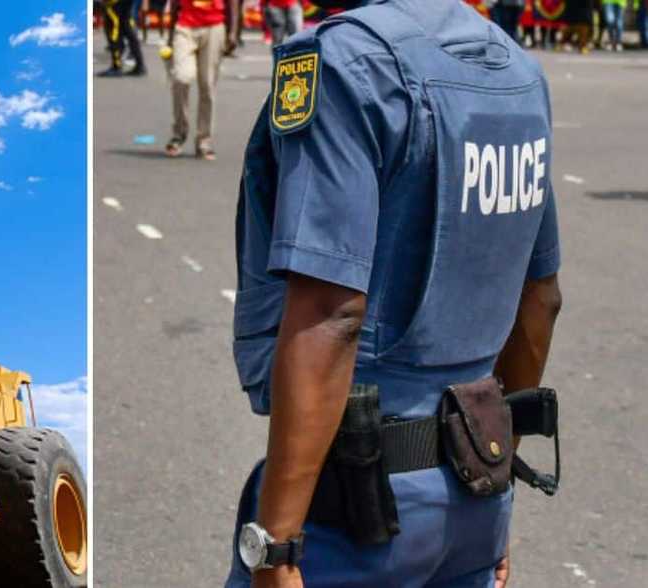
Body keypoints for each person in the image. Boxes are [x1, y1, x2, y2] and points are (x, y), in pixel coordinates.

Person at [227, 0, 562, 586]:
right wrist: (495, 478)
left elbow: (332, 315)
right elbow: (540, 299)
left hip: (355, 510)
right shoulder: (519, 72)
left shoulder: (344, 62)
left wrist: (276, 545)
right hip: (473, 487)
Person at [164, 0, 239, 160]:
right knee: (181, 77)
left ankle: (203, 141)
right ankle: (179, 134)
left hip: (214, 27)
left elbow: (232, 3)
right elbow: (175, 4)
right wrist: (170, 36)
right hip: (185, 27)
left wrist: (232, 32)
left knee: (207, 86)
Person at [99, 0, 147, 76]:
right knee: (128, 30)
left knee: (114, 31)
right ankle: (139, 65)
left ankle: (117, 67)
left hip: (115, 4)